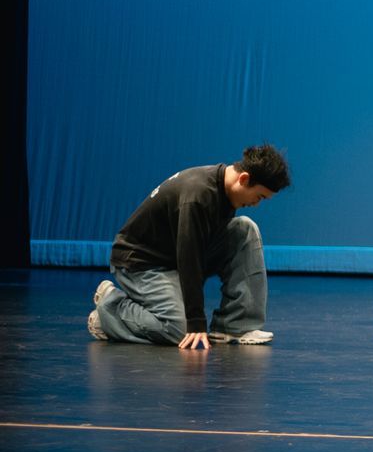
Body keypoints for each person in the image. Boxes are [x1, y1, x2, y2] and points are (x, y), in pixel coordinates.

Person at [88, 144, 290, 347]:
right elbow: (189, 258)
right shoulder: (198, 195)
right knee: (181, 330)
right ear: (244, 179)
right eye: (259, 196)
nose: (256, 204)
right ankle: (111, 309)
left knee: (245, 229)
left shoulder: (225, 188)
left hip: (171, 256)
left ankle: (234, 326)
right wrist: (195, 322)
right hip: (140, 263)